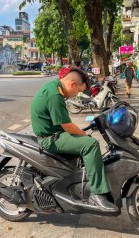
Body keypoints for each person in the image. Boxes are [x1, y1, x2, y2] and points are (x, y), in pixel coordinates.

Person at [31, 69, 118, 212]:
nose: (77, 94)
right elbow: (67, 125)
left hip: (55, 132)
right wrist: (84, 135)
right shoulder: (54, 94)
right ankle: (97, 194)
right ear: (72, 84)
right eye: (78, 90)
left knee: (85, 141)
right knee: (91, 145)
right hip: (50, 138)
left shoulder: (55, 87)